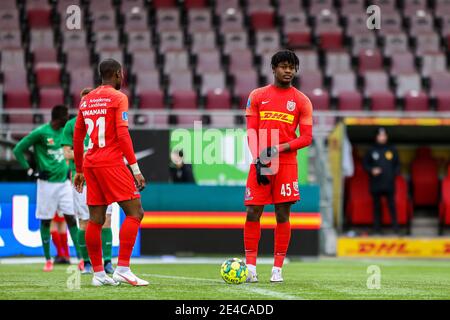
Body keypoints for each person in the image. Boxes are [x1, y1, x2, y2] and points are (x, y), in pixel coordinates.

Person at [73, 59, 148, 286]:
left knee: (94, 219)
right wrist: (135, 169)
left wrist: (78, 169)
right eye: (121, 74)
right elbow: (123, 135)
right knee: (135, 212)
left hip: (90, 164)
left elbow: (78, 137)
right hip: (111, 162)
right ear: (118, 73)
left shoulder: (86, 100)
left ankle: (98, 274)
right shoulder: (118, 97)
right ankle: (123, 268)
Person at [243, 50, 313, 283]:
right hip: (260, 160)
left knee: (282, 213)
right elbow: (251, 131)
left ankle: (277, 269)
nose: (288, 70)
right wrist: (258, 159)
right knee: (253, 211)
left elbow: (306, 138)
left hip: (286, 162)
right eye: (283, 66)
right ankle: (251, 268)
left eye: (292, 67)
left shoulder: (302, 101)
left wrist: (278, 149)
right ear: (273, 68)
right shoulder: (257, 95)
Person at [13, 105, 81, 272]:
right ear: (59, 118)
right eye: (66, 116)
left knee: (71, 219)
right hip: (46, 184)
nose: (69, 118)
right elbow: (18, 149)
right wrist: (30, 170)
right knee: (45, 221)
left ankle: (80, 258)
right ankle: (48, 259)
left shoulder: (66, 131)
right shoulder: (41, 132)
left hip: (65, 184)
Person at [62, 87, 114, 275]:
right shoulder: (71, 125)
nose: (87, 103)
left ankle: (107, 262)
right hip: (81, 177)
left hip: (103, 174)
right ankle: (87, 263)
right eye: (84, 101)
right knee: (84, 221)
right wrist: (90, 153)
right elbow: (67, 152)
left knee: (106, 219)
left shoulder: (104, 121)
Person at [363, 127, 400, 235]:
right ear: (376, 137)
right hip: (376, 183)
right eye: (380, 136)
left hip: (389, 183)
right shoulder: (371, 150)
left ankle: (395, 227)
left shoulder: (392, 149)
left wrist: (393, 174)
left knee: (391, 205)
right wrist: (371, 170)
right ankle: (377, 228)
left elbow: (397, 165)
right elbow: (365, 164)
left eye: (384, 136)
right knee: (376, 206)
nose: (382, 138)